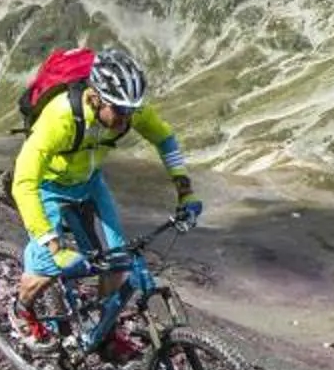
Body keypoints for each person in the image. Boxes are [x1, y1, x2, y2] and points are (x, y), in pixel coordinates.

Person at [11, 45, 200, 346]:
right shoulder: (60, 117)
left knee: (118, 260)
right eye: (120, 111)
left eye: (132, 111)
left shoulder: (127, 109)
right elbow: (23, 182)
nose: (127, 119)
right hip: (48, 187)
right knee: (47, 266)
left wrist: (185, 192)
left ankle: (101, 331)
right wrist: (52, 243)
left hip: (90, 184)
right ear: (96, 98)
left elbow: (165, 139)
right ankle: (22, 312)